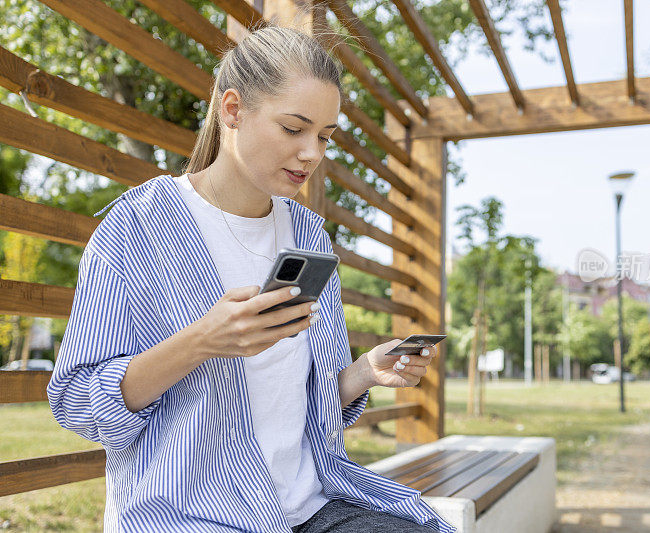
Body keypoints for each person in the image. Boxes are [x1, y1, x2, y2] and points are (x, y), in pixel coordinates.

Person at [47, 23, 455, 533]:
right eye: (293, 129)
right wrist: (202, 341)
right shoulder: (138, 227)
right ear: (233, 110)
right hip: (192, 512)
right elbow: (77, 401)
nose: (312, 153)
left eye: (325, 137)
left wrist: (366, 372)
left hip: (313, 503)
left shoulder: (306, 231)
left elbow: (299, 402)